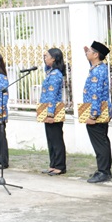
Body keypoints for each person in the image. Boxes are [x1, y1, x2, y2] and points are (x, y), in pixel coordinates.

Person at [83, 41, 112, 184]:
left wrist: (93, 115)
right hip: (99, 110)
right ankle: (104, 170)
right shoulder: (99, 67)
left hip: (96, 112)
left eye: (90, 51)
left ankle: (103, 172)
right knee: (102, 141)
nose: (87, 53)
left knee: (100, 143)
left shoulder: (97, 71)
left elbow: (96, 94)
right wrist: (86, 53)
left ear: (96, 55)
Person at [40, 48, 67, 176]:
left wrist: (50, 114)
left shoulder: (56, 74)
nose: (45, 58)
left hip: (54, 110)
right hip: (47, 109)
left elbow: (52, 95)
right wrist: (43, 55)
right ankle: (53, 164)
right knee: (50, 139)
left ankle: (60, 166)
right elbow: (45, 66)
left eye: (47, 56)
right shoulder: (50, 72)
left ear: (54, 58)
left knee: (56, 139)